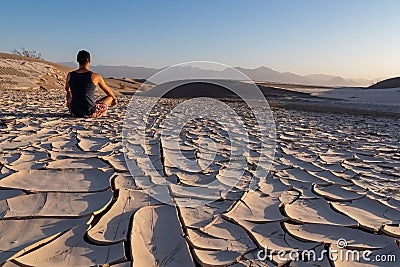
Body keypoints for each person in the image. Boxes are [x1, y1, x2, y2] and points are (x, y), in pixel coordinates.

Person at [65, 50, 117, 118]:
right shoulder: (95, 76)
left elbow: (66, 89)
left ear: (77, 61)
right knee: (110, 98)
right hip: (90, 112)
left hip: (74, 112)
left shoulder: (70, 75)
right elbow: (109, 93)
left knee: (68, 93)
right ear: (89, 61)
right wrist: (114, 99)